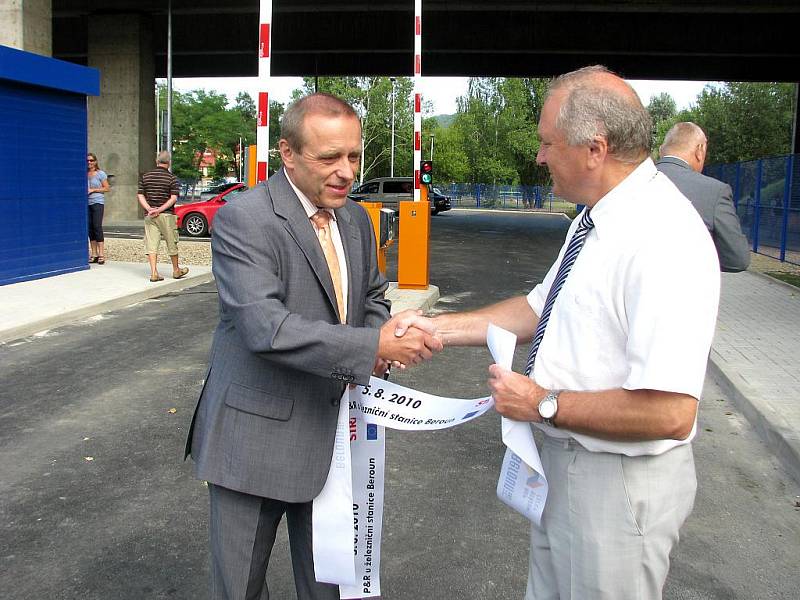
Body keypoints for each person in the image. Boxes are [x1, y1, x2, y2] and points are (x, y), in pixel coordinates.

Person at [403, 66, 721, 599]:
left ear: (594, 149)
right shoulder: (595, 219)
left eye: (548, 143)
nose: (540, 156)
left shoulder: (664, 238)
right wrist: (432, 326)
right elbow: (535, 308)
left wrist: (543, 403)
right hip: (567, 471)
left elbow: (669, 412)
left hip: (615, 486)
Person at [185, 93, 441, 600]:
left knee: (328, 587)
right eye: (329, 158)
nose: (346, 172)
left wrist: (381, 342)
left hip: (334, 440)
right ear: (287, 153)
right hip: (253, 442)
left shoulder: (354, 219)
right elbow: (266, 327)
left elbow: (370, 295)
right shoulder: (245, 220)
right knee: (238, 589)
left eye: (353, 156)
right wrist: (372, 345)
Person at [657, 122, 751, 272]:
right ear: (699, 151)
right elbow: (737, 259)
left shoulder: (627, 182)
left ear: (661, 150)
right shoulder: (715, 192)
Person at [137, 151, 189, 282]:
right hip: (166, 215)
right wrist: (160, 209)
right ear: (169, 162)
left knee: (151, 243)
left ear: (156, 161)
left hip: (149, 215)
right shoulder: (172, 178)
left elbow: (140, 194)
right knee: (171, 241)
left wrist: (149, 208)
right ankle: (176, 270)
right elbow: (173, 198)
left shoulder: (146, 176)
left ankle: (154, 272)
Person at [87, 152, 109, 264]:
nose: (89, 162)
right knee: (90, 228)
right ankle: (94, 253)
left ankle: (101, 254)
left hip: (97, 202)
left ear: (95, 161)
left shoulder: (100, 174)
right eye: (87, 161)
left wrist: (93, 190)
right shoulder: (85, 174)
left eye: (91, 160)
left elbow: (107, 188)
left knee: (97, 226)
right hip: (87, 203)